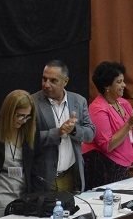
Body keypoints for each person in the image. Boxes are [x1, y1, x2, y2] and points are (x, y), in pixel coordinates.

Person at [82, 61, 133, 190]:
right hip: (104, 166)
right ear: (107, 86)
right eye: (119, 82)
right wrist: (129, 124)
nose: (124, 85)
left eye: (123, 81)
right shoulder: (97, 109)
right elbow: (107, 145)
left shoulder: (123, 103)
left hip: (123, 164)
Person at [32, 60, 95, 192]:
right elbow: (28, 139)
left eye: (53, 80)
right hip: (44, 179)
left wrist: (74, 130)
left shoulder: (79, 101)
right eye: (44, 79)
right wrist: (58, 132)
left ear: (65, 81)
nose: (46, 84)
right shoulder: (32, 102)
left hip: (71, 175)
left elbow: (91, 133)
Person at [0, 90, 37, 218]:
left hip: (23, 197)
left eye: (27, 116)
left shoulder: (28, 133)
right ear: (8, 112)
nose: (24, 120)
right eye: (20, 115)